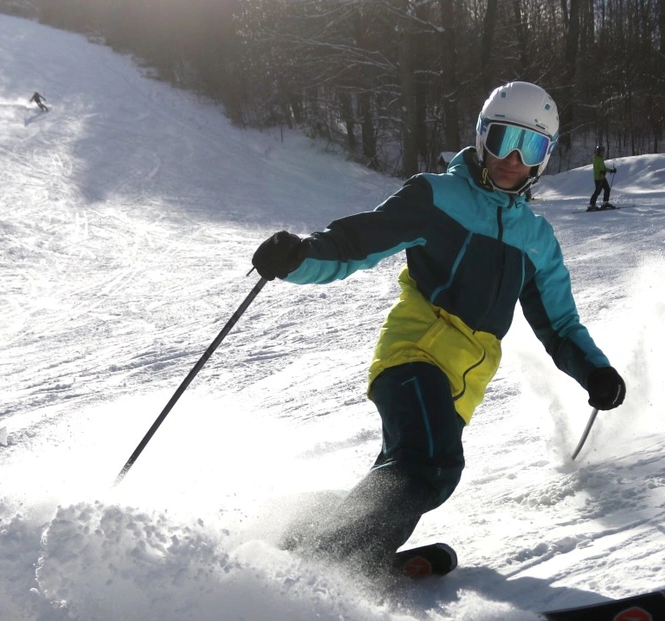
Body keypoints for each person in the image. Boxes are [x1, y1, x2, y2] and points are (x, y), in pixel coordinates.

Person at [252, 81, 626, 575]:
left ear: (543, 158)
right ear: (480, 138)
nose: (512, 157)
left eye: (529, 145)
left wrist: (595, 372)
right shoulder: (437, 196)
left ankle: (306, 531)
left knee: (403, 471)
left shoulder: (537, 239)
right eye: (501, 140)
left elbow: (559, 325)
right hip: (413, 356)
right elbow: (354, 244)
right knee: (430, 466)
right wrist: (299, 257)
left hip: (458, 386)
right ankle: (328, 568)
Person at [589, 144, 617, 210]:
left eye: (603, 151)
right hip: (598, 177)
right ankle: (591, 205)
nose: (603, 153)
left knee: (607, 189)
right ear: (598, 152)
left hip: (602, 177)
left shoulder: (600, 158)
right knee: (597, 191)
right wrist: (601, 171)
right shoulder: (596, 159)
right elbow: (596, 168)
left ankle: (605, 203)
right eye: (601, 151)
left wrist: (611, 171)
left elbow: (603, 168)